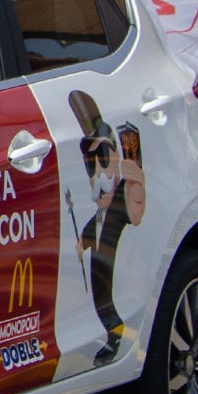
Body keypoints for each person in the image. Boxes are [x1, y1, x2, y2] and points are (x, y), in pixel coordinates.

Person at [65, 90, 144, 366]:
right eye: (92, 170)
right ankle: (111, 335)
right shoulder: (99, 210)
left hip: (115, 270)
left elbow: (135, 213)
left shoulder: (122, 194)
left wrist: (135, 186)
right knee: (101, 301)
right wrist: (81, 243)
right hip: (100, 271)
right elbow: (91, 228)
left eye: (103, 163)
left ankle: (118, 337)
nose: (97, 175)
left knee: (109, 301)